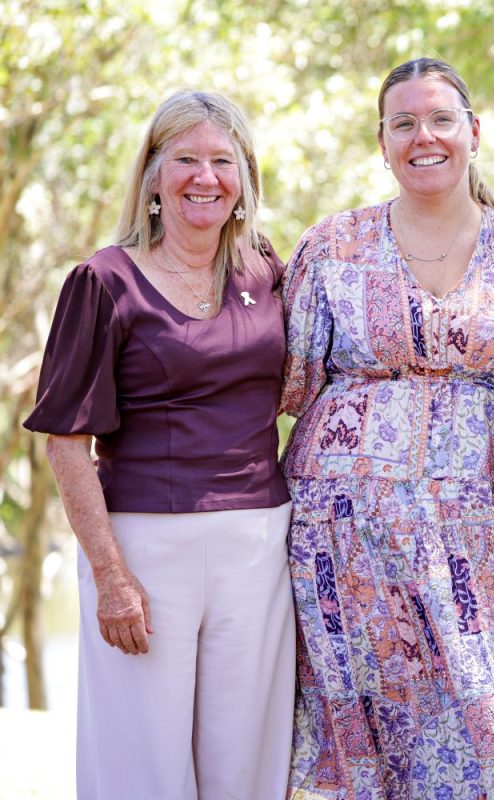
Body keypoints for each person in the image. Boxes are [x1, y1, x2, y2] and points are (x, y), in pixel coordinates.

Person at [282, 58, 494, 799]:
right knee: (363, 759)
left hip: (479, 539)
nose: (424, 136)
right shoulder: (333, 246)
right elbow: (280, 386)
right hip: (342, 547)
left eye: (441, 119)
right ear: (383, 143)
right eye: (403, 123)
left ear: (474, 133)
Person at [24, 91, 294, 799]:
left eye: (221, 161)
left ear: (244, 180)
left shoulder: (266, 272)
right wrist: (111, 575)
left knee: (247, 766)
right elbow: (65, 443)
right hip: (143, 547)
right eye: (184, 159)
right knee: (141, 766)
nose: (204, 177)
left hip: (259, 539)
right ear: (151, 175)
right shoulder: (103, 281)